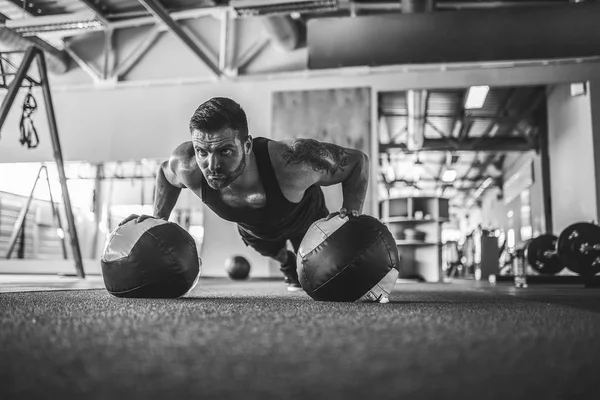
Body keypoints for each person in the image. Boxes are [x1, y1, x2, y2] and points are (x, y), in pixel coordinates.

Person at [122, 97, 370, 291]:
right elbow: (166, 175)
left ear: (247, 145)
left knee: (319, 283)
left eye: (225, 151)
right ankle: (285, 261)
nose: (212, 165)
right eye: (203, 152)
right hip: (255, 231)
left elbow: (357, 162)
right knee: (275, 252)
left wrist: (351, 215)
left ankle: (296, 262)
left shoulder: (293, 162)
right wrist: (157, 221)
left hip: (307, 219)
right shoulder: (188, 166)